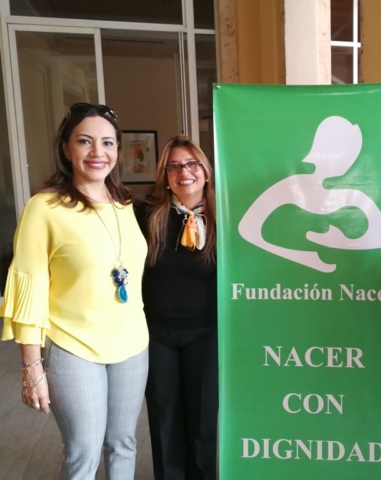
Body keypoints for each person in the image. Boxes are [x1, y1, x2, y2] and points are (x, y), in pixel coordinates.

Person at [0, 103, 149, 479]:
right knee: (83, 451)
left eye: (108, 143)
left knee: (123, 443)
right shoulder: (44, 208)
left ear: (117, 150)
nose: (98, 152)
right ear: (66, 148)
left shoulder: (125, 204)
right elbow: (30, 286)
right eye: (85, 141)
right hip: (74, 346)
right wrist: (32, 367)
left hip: (133, 345)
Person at [135, 135, 218, 479]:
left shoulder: (224, 217)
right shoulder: (146, 215)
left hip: (206, 333)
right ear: (165, 176)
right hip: (156, 334)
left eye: (192, 164)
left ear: (205, 170)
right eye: (174, 167)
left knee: (203, 420)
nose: (184, 172)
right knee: (164, 416)